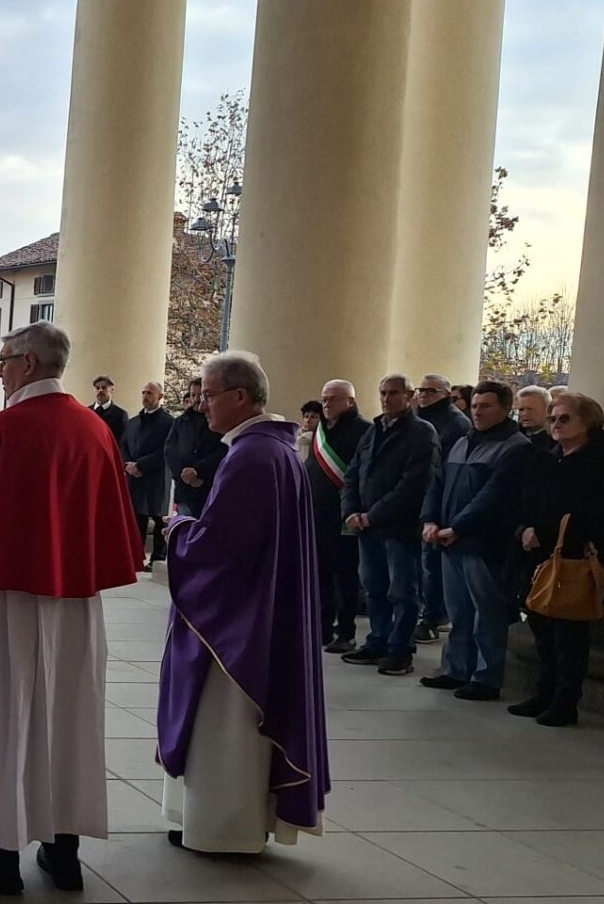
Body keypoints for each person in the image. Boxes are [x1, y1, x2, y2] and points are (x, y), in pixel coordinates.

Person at [0, 322, 140, 895]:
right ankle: (61, 851)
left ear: (27, 363)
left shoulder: (8, 427)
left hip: (5, 601)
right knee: (67, 720)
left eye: (2, 359)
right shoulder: (94, 428)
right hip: (74, 602)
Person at [157, 351, 328, 854]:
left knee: (225, 730)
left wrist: (181, 529)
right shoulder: (269, 449)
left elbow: (222, 547)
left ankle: (222, 828)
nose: (201, 405)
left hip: (236, 627)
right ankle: (210, 820)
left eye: (209, 395)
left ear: (239, 396)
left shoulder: (252, 456)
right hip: (255, 609)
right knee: (227, 732)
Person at [509, 391, 604, 727]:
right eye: (553, 419)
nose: (556, 425)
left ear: (587, 422)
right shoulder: (545, 455)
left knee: (569, 634)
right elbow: (524, 498)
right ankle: (544, 692)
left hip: (575, 557)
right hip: (538, 554)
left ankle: (565, 699)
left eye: (564, 419)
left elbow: (598, 511)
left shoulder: (601, 460)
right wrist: (524, 529)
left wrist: (546, 533)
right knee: (542, 627)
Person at [418, 381, 529, 700]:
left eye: (487, 406)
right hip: (449, 540)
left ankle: (486, 677)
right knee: (458, 612)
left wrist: (458, 527)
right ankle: (456, 669)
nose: (478, 411)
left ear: (505, 409)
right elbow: (436, 483)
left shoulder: (515, 446)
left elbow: (493, 496)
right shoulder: (462, 442)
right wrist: (430, 519)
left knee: (487, 612)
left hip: (483, 543)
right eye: (476, 405)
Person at [341, 375, 439, 677]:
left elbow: (413, 483)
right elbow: (354, 472)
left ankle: (400, 649)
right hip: (366, 527)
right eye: (382, 392)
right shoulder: (373, 431)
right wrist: (351, 510)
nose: (386, 399)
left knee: (402, 591)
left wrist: (374, 514)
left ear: (409, 395)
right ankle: (378, 640)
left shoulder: (421, 432)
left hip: (399, 528)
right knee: (374, 588)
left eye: (393, 393)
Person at [309, 380, 370, 654]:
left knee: (345, 577)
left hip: (344, 515)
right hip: (317, 514)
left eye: (333, 399)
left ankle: (346, 631)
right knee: (320, 574)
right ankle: (321, 628)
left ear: (350, 402)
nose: (327, 404)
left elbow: (360, 474)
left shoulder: (363, 431)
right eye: (324, 399)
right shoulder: (321, 430)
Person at [413, 373, 470, 641]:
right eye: (420, 390)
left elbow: (443, 470)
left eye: (430, 391)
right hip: (418, 500)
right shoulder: (417, 418)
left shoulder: (455, 424)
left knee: (432, 564)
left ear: (446, 394)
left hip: (439, 502)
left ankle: (433, 615)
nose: (423, 395)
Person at [122, 381, 174, 571]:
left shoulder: (169, 422)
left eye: (150, 393)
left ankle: (157, 558)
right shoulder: (133, 422)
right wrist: (128, 464)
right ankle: (136, 557)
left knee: (158, 516)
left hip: (156, 476)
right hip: (134, 476)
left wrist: (141, 464)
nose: (145, 396)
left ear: (160, 396)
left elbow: (166, 449)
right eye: (143, 392)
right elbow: (124, 445)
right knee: (137, 518)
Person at [164, 377, 226, 517]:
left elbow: (223, 451)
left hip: (208, 487)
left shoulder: (218, 422)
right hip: (185, 490)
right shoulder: (180, 422)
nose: (197, 399)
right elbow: (170, 450)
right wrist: (183, 473)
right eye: (193, 395)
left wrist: (198, 471)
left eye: (201, 395)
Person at [90, 374, 127, 443]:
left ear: (112, 389)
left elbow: (121, 442)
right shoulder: (87, 412)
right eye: (97, 388)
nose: (100, 390)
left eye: (104, 388)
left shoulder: (120, 414)